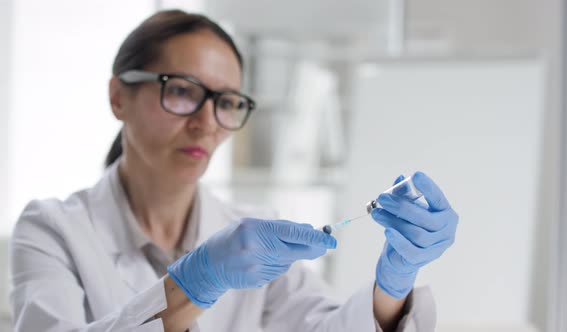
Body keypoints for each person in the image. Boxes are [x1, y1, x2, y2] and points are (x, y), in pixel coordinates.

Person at [9, 10, 458, 332]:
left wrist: (393, 283)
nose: (206, 122)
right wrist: (198, 281)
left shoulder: (253, 235)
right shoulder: (53, 231)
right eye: (183, 91)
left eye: (226, 102)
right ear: (118, 97)